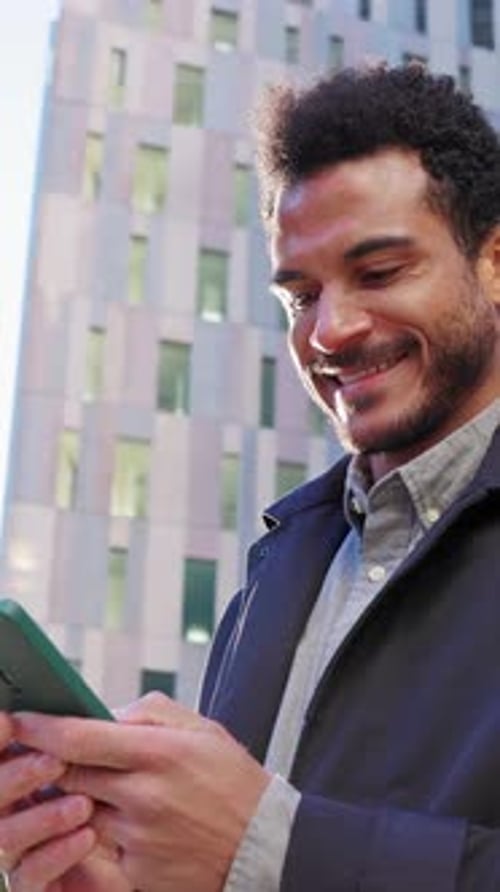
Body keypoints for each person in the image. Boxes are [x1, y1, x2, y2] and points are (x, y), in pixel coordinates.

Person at [1, 63, 500, 891]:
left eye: (380, 272)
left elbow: (260, 856)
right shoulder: (276, 571)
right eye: (301, 297)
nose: (329, 331)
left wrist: (271, 849)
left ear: (493, 262)